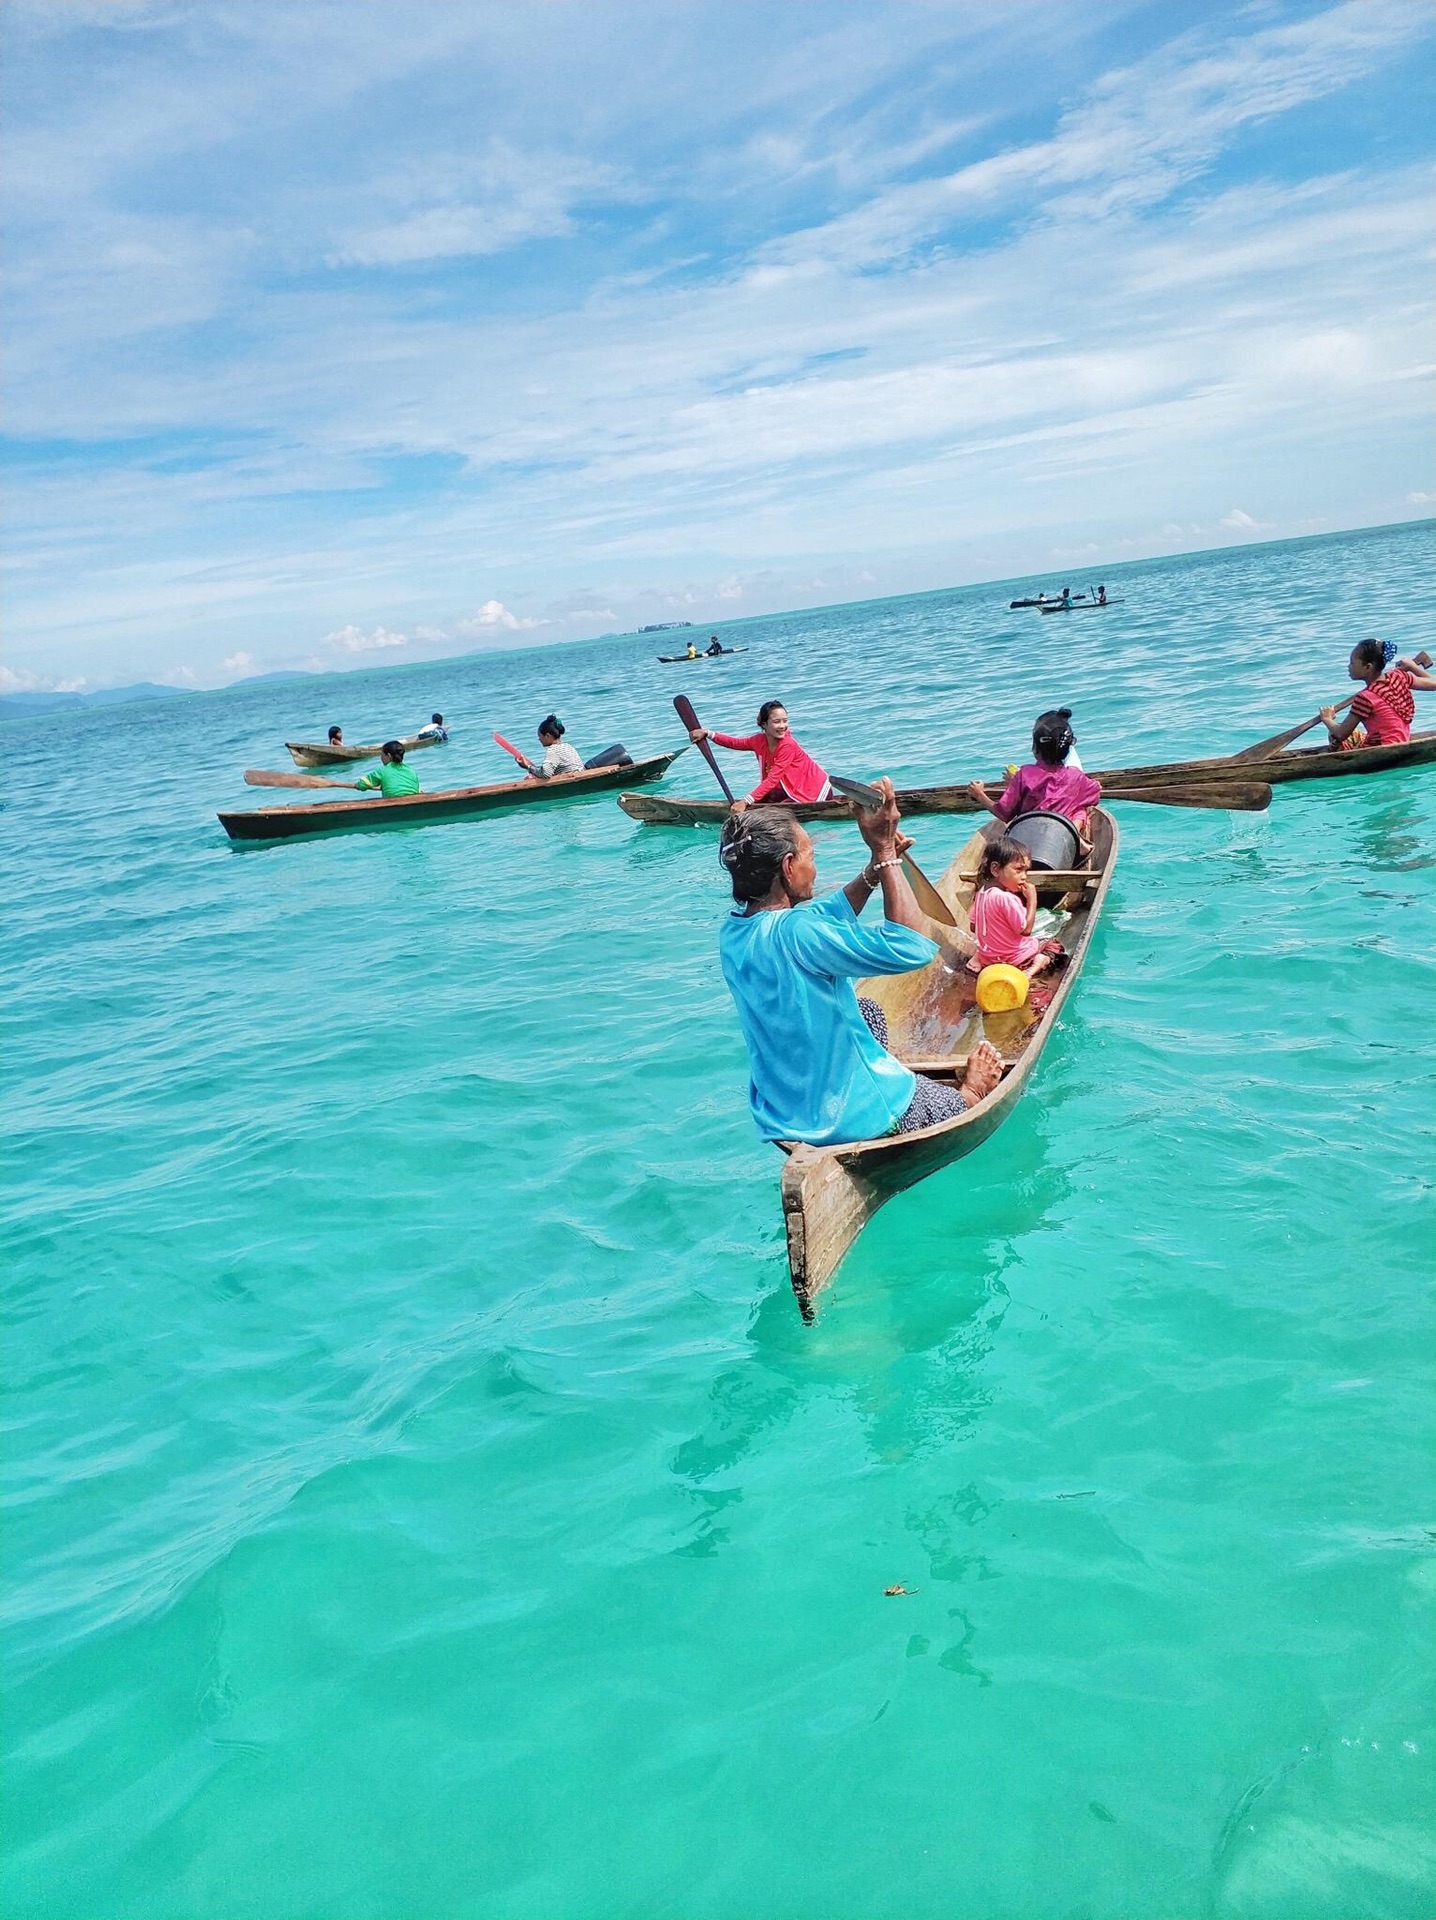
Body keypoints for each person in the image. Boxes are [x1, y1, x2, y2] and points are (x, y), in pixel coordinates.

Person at [716, 782, 1004, 1146]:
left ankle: (875, 1072)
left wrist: (872, 873)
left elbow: (823, 915)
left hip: (784, 1110)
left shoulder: (734, 932)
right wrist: (885, 853)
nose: (814, 868)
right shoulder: (800, 932)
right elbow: (913, 947)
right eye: (810, 856)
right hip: (856, 1116)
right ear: (789, 867)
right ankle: (970, 1094)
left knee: (868, 1010)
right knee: (953, 1103)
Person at [968, 708, 1101, 831]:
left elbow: (1004, 813)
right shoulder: (1076, 776)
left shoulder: (1024, 775)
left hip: (1027, 838)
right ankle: (1080, 842)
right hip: (1061, 840)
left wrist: (979, 795)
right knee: (1081, 809)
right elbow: (1095, 792)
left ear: (1036, 748)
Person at [688, 700, 831, 811]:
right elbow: (735, 743)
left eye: (785, 721)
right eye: (776, 722)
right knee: (764, 801)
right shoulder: (759, 740)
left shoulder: (788, 744)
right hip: (789, 787)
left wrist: (745, 801)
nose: (782, 726)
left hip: (812, 789)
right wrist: (708, 733)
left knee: (773, 812)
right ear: (764, 724)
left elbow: (773, 779)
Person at [969, 836, 1065, 980]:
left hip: (990, 960)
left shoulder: (981, 893)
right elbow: (1025, 930)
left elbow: (973, 927)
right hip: (1018, 960)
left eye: (1026, 871)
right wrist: (1032, 900)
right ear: (995, 869)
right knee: (1054, 946)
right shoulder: (1007, 898)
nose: (1024, 877)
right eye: (1019, 870)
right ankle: (1034, 966)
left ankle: (979, 958)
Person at [1320, 640, 1436, 750]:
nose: (1348, 666)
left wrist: (1327, 718)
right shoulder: (1399, 677)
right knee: (1354, 735)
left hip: (1381, 747)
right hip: (1402, 740)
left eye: (1352, 662)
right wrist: (1413, 667)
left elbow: (1341, 734)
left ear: (1368, 667)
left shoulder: (1365, 698)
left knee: (1334, 733)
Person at [519, 714, 584, 778]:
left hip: (570, 780)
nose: (539, 739)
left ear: (547, 735)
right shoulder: (568, 746)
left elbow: (545, 774)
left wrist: (527, 766)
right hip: (578, 775)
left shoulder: (553, 750)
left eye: (540, 736)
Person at [354, 741, 419, 797]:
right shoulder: (410, 770)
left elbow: (362, 784)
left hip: (393, 802)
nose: (381, 758)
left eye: (382, 755)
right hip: (413, 799)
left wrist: (357, 785)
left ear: (389, 756)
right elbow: (417, 789)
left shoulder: (382, 771)